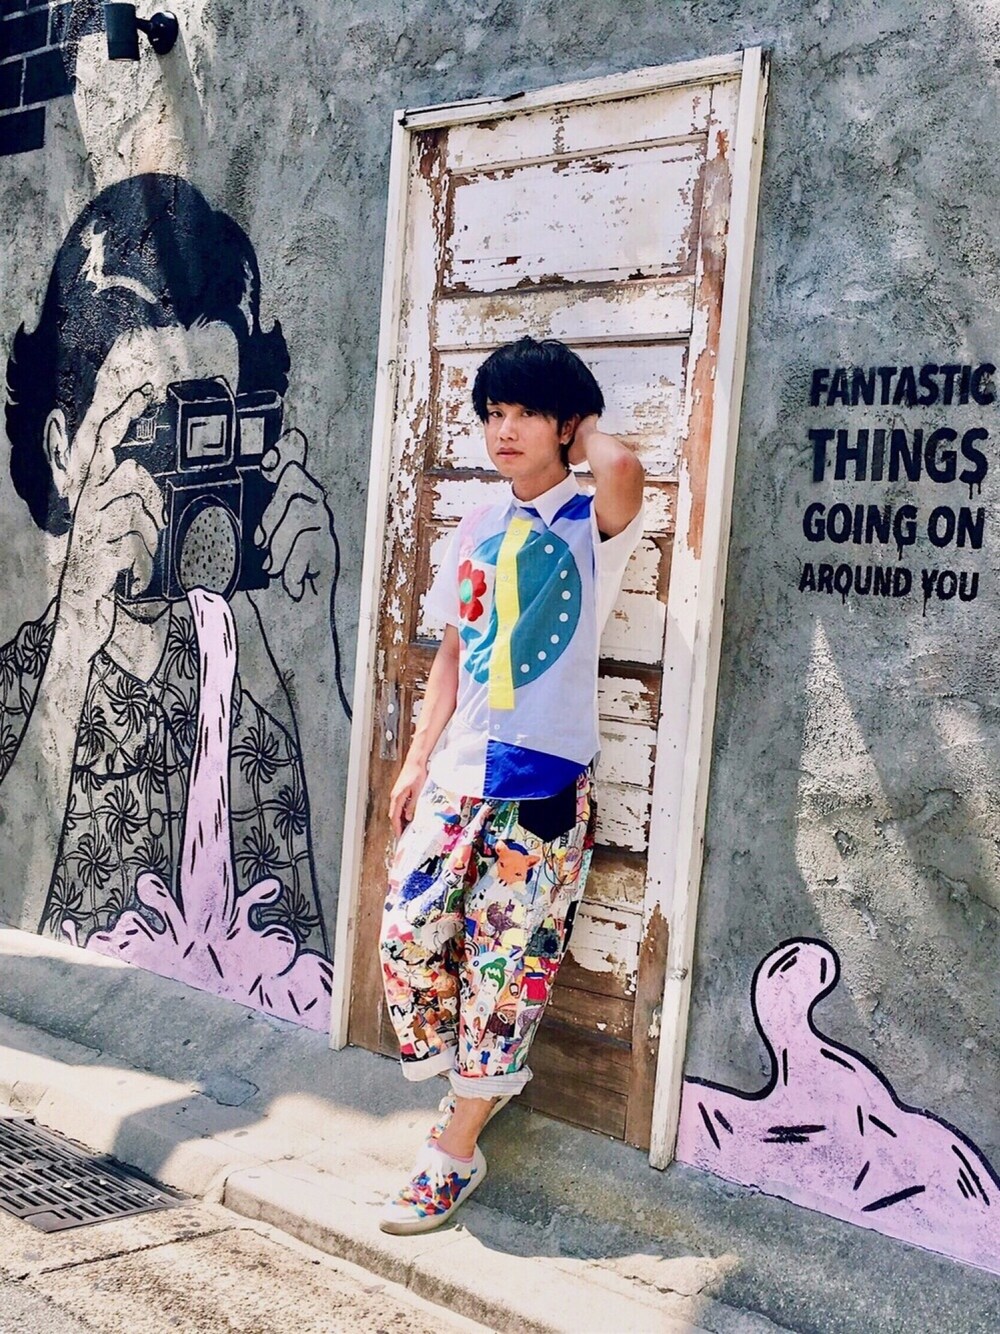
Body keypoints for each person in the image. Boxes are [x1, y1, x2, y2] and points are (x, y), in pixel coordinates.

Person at [0, 175, 342, 1008]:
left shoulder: (255, 689)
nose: (179, 474)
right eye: (147, 428)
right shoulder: (20, 684)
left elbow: (340, 936)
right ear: (63, 454)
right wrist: (75, 640)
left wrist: (314, 662)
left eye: (209, 425)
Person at [378, 336, 645, 1233]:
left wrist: (581, 418)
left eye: (525, 413)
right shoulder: (475, 526)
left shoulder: (592, 525)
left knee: (508, 973)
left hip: (542, 786)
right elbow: (453, 652)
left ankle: (454, 1146)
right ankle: (465, 1087)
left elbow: (624, 468)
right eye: (494, 413)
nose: (504, 430)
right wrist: (417, 758)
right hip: (459, 775)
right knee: (408, 937)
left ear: (565, 425)